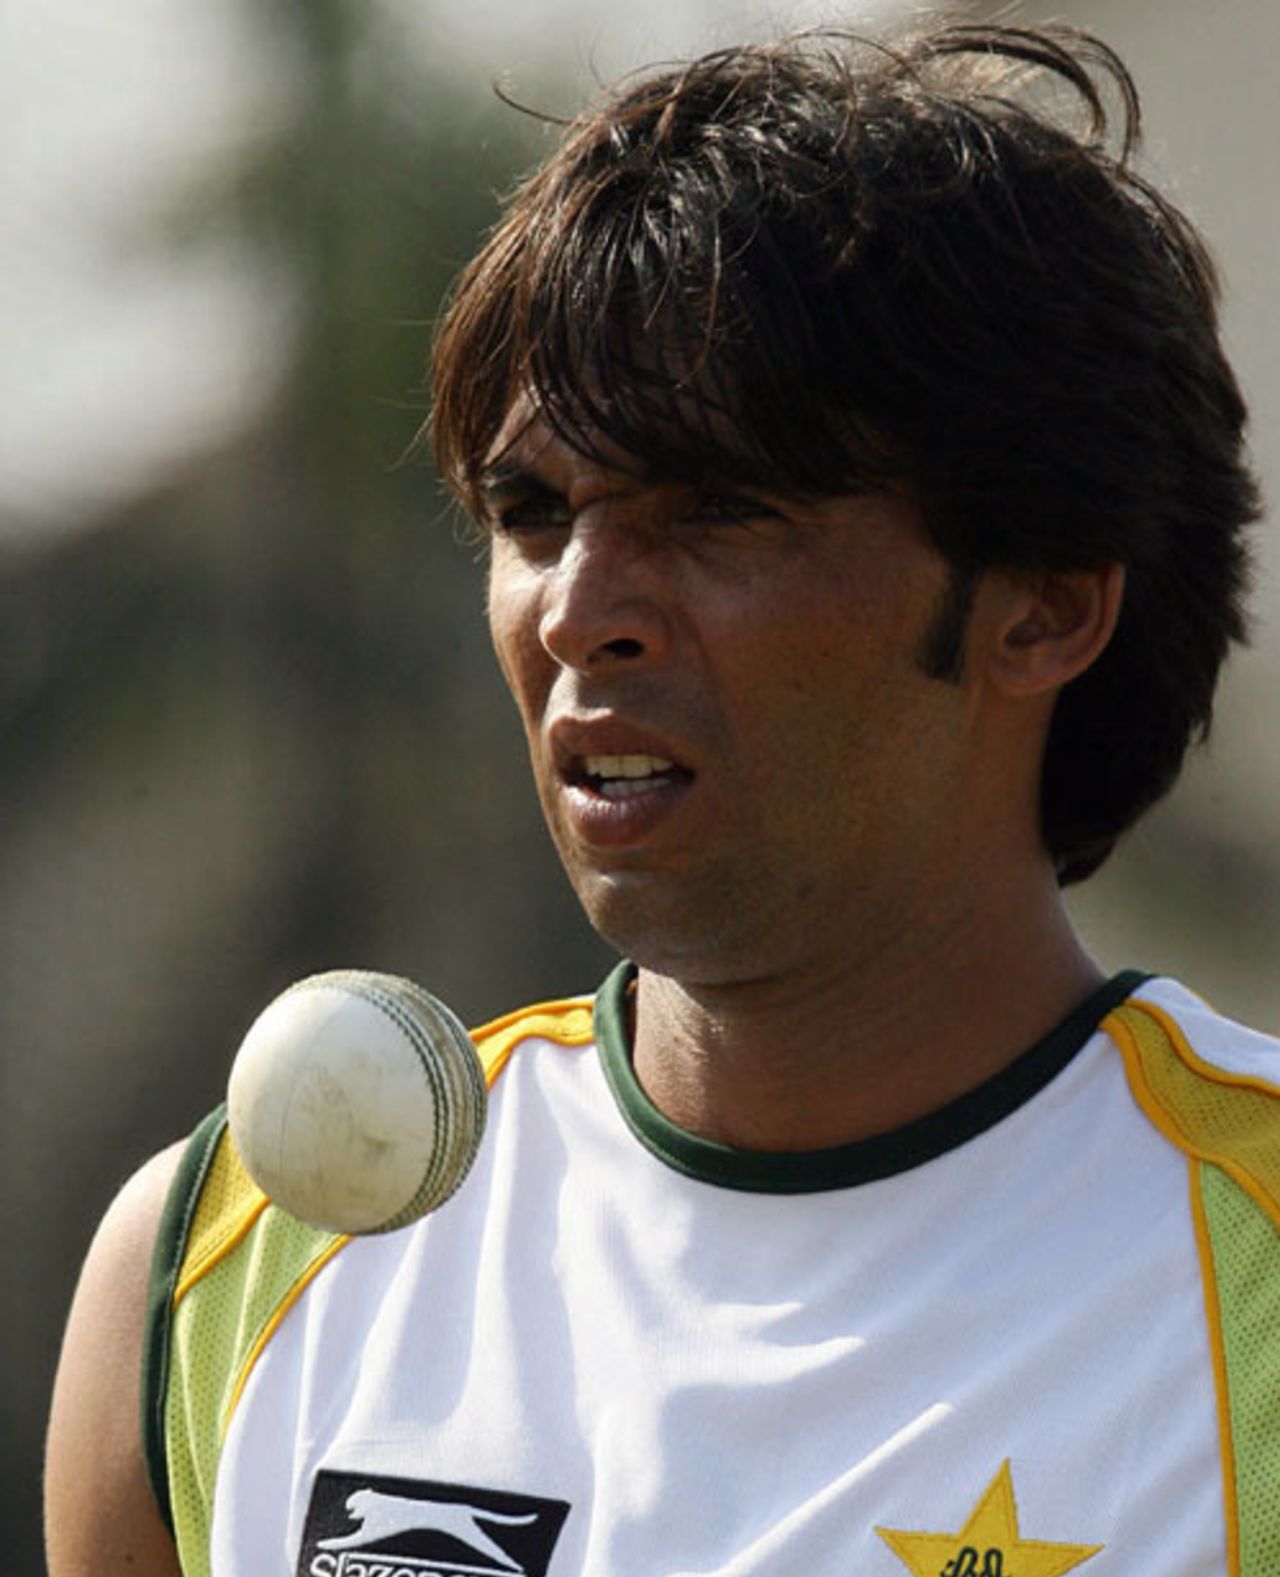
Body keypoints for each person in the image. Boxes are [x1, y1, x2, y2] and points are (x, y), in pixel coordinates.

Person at [45, 16, 1276, 1577]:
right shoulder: (225, 1267)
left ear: (1044, 605)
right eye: (532, 512)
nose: (578, 610)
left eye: (719, 508)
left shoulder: (1249, 1269)